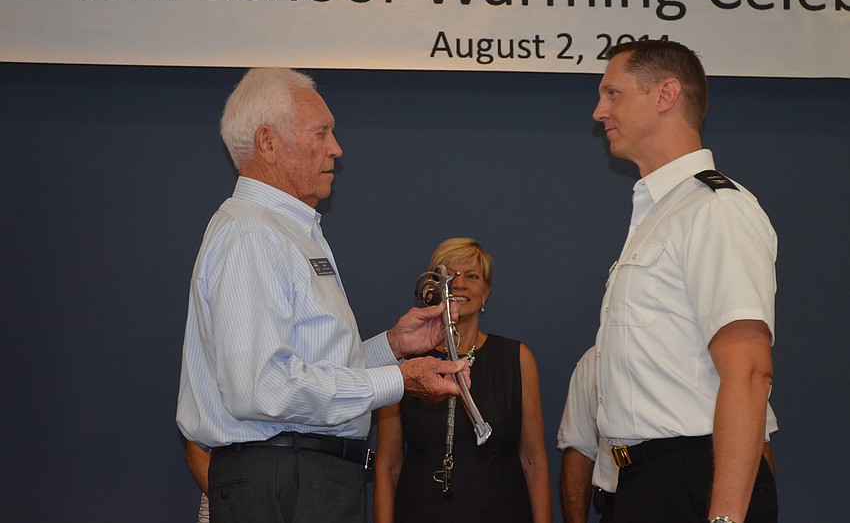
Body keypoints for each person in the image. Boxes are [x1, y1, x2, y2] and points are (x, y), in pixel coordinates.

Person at [175, 68, 470, 523]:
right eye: (321, 132)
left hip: (304, 477)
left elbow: (305, 369)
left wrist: (390, 348)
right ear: (268, 143)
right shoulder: (252, 234)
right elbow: (262, 388)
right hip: (283, 481)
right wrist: (399, 380)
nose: (337, 148)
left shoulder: (289, 232)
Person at [591, 39, 779, 523]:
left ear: (665, 95)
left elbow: (749, 371)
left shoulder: (716, 209)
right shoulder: (661, 215)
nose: (599, 112)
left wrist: (723, 520)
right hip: (638, 484)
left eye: (612, 93)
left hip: (694, 482)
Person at [373, 237, 552, 523]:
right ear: (432, 289)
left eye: (472, 276)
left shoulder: (518, 359)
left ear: (487, 292)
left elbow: (534, 460)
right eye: (450, 276)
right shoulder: (403, 362)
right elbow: (388, 465)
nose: (459, 285)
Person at [556, 347, 780, 523]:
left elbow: (758, 443)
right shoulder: (594, 362)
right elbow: (579, 452)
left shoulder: (715, 357)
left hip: (708, 493)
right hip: (622, 499)